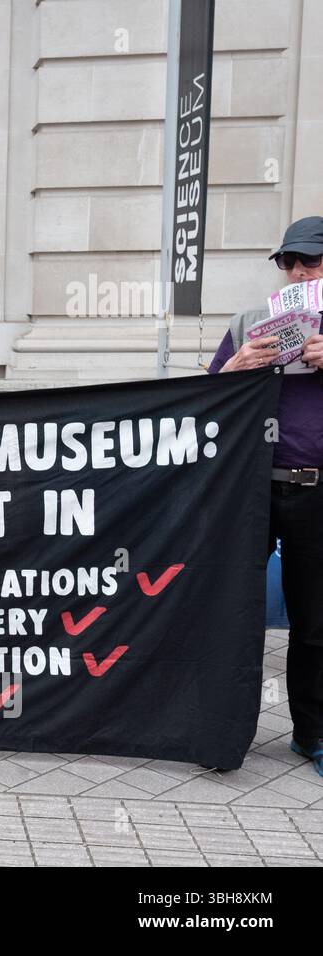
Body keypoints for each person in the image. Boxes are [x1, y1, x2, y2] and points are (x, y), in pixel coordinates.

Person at [209, 215, 323, 777]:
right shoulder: (251, 321)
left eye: (313, 261)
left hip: (317, 490)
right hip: (249, 489)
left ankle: (313, 734)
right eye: (290, 261)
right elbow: (203, 405)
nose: (300, 270)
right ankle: (222, 732)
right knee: (231, 611)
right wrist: (234, 368)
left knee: (316, 622)